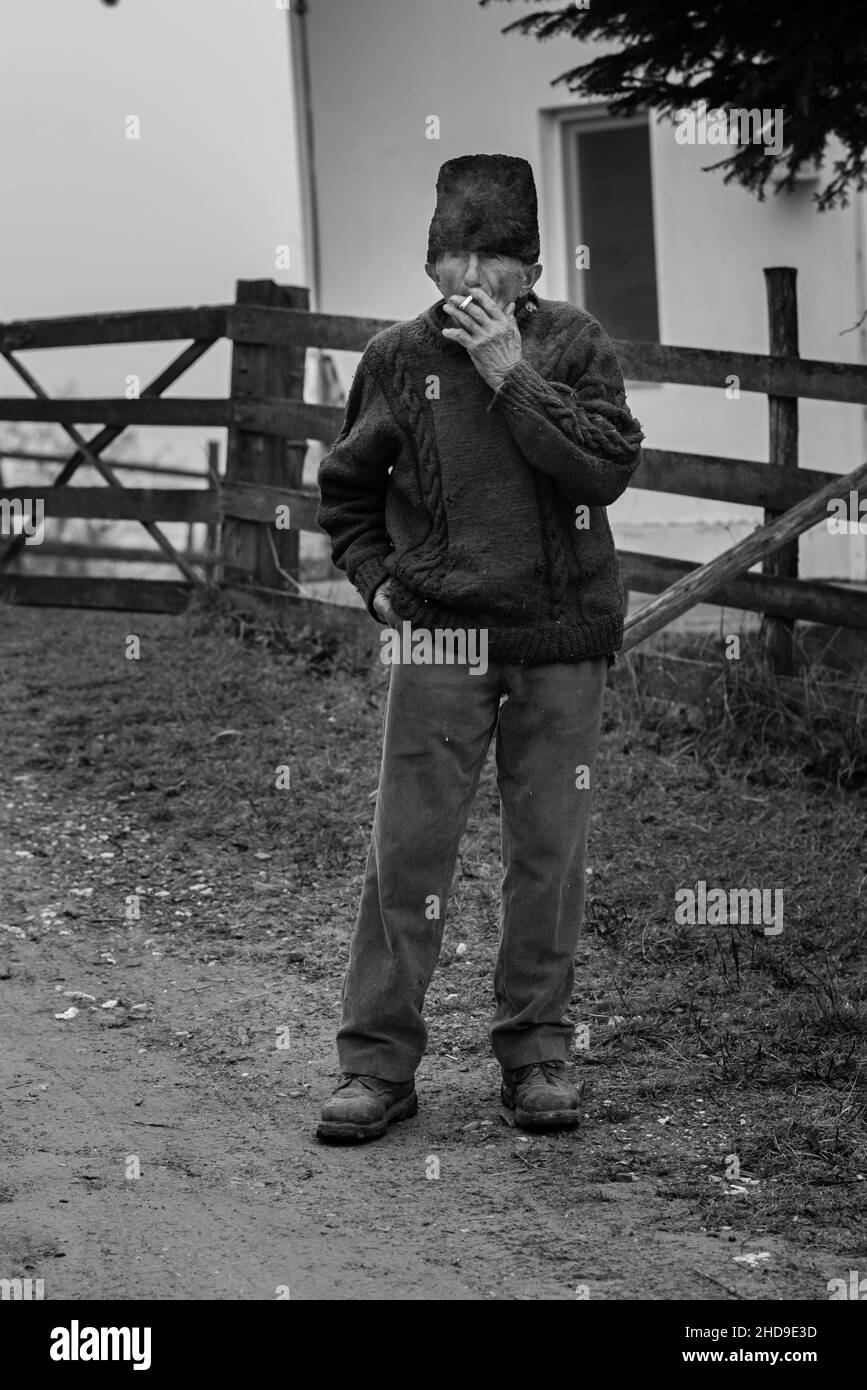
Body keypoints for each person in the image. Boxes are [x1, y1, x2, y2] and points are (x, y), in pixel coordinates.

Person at [314, 153, 644, 1143]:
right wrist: (377, 585)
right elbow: (348, 491)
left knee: (548, 854)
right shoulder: (395, 358)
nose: (462, 282)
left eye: (484, 260)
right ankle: (377, 1067)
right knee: (406, 850)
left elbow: (602, 466)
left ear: (527, 268)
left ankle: (536, 1054)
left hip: (560, 643)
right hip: (440, 638)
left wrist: (509, 374)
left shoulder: (577, 347)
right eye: (446, 259)